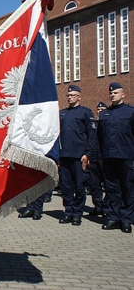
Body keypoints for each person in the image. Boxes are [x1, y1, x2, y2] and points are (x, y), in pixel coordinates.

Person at [97, 82, 134, 233]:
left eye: (116, 93)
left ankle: (126, 219)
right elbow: (100, 137)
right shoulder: (105, 114)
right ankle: (114, 217)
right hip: (109, 157)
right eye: (111, 93)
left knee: (128, 188)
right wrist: (100, 157)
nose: (113, 95)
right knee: (112, 189)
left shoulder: (130, 112)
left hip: (126, 156)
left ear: (123, 95)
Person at [58, 85, 96, 226]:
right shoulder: (62, 113)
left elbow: (91, 135)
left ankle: (77, 213)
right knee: (66, 186)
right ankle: (68, 211)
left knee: (80, 186)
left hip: (79, 156)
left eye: (73, 95)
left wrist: (87, 154)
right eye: (68, 95)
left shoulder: (85, 113)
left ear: (79, 97)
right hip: (65, 156)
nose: (70, 97)